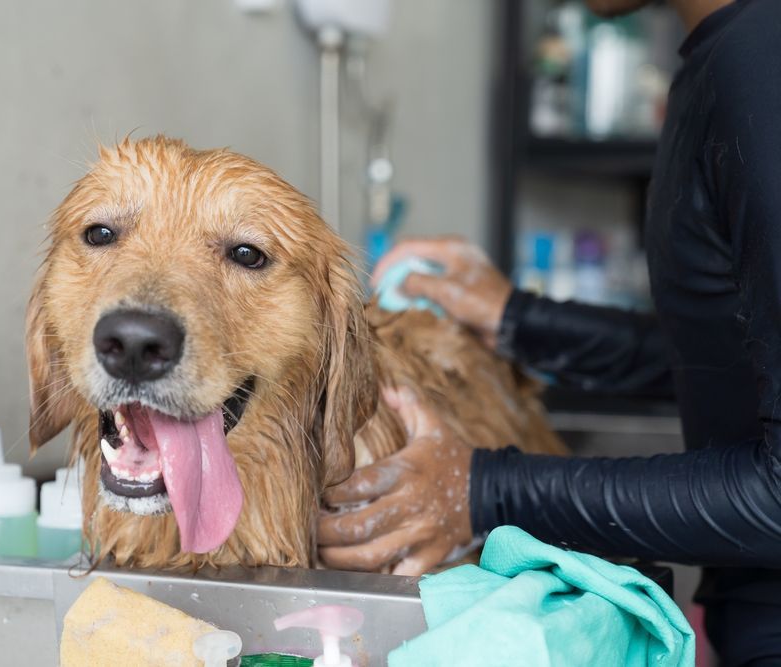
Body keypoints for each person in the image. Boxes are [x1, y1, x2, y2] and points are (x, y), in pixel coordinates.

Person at [317, 1, 781, 664]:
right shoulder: (729, 53)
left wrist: (482, 489)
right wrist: (519, 319)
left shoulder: (762, 57)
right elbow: (729, 358)